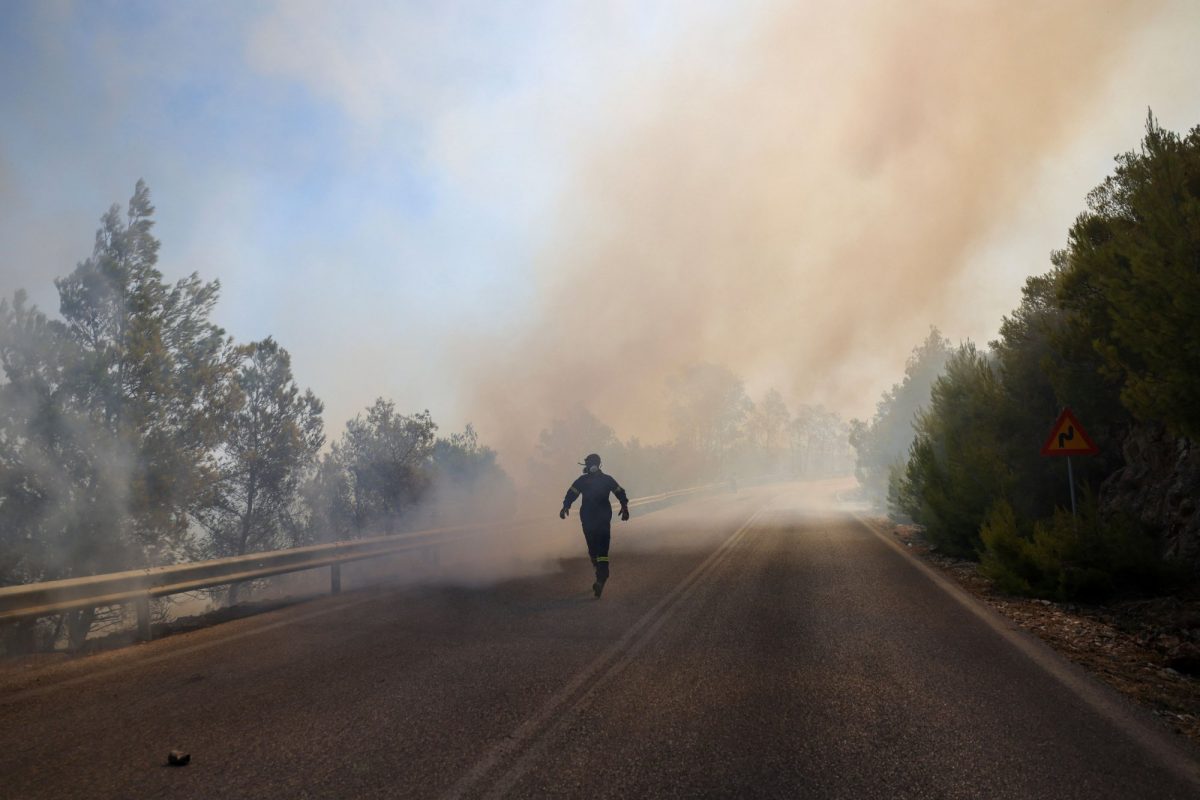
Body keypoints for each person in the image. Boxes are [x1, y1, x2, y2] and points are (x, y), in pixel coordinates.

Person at [559, 453, 630, 598]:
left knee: (599, 550)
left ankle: (601, 576)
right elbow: (571, 494)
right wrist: (565, 506)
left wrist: (565, 506)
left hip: (594, 519)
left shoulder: (591, 480)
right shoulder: (598, 480)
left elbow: (620, 492)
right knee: (596, 551)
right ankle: (601, 573)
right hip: (594, 519)